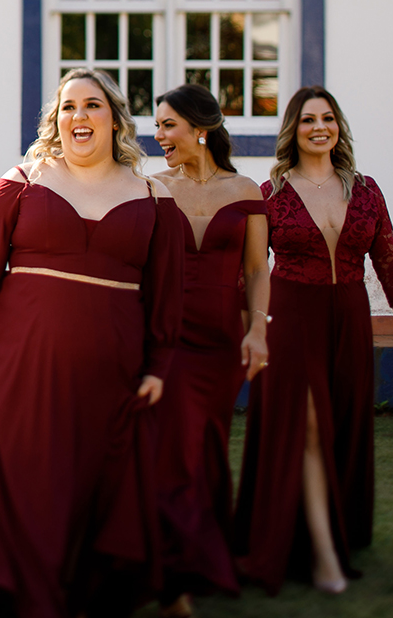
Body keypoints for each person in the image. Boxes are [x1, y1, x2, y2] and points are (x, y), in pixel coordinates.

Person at [0, 67, 185, 618]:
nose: (80, 116)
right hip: (20, 362)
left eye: (93, 106)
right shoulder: (22, 182)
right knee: (32, 480)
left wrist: (159, 364)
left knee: (97, 482)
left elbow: (167, 294)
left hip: (115, 370)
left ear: (115, 119)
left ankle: (84, 596)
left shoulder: (154, 196)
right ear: (55, 121)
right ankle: (23, 596)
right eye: (68, 107)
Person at [234, 87, 393, 595]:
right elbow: (252, 271)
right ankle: (323, 559)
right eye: (308, 120)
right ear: (293, 130)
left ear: (339, 127)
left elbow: (389, 259)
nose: (320, 127)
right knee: (310, 430)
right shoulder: (269, 193)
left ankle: (330, 529)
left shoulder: (365, 189)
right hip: (292, 316)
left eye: (328, 118)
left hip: (351, 318)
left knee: (341, 426)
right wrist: (253, 329)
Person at [149, 84, 270, 616]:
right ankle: (174, 572)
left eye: (168, 125)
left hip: (222, 340)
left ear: (201, 129)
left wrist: (257, 330)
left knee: (210, 448)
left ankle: (208, 559)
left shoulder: (245, 190)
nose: (158, 136)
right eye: (157, 126)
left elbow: (256, 270)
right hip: (169, 336)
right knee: (174, 452)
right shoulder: (150, 187)